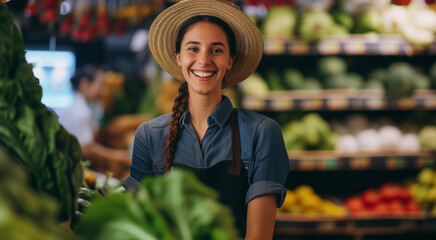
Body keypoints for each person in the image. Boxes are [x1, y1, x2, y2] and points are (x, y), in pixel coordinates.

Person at [121, 0, 289, 239]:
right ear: (178, 57)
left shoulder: (262, 132)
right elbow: (140, 227)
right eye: (193, 48)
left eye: (217, 50)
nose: (204, 60)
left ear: (230, 60)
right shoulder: (149, 135)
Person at [59, 64, 131, 177]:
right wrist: (120, 157)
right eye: (100, 85)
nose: (104, 91)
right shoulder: (80, 111)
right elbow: (87, 148)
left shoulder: (84, 107)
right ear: (85, 84)